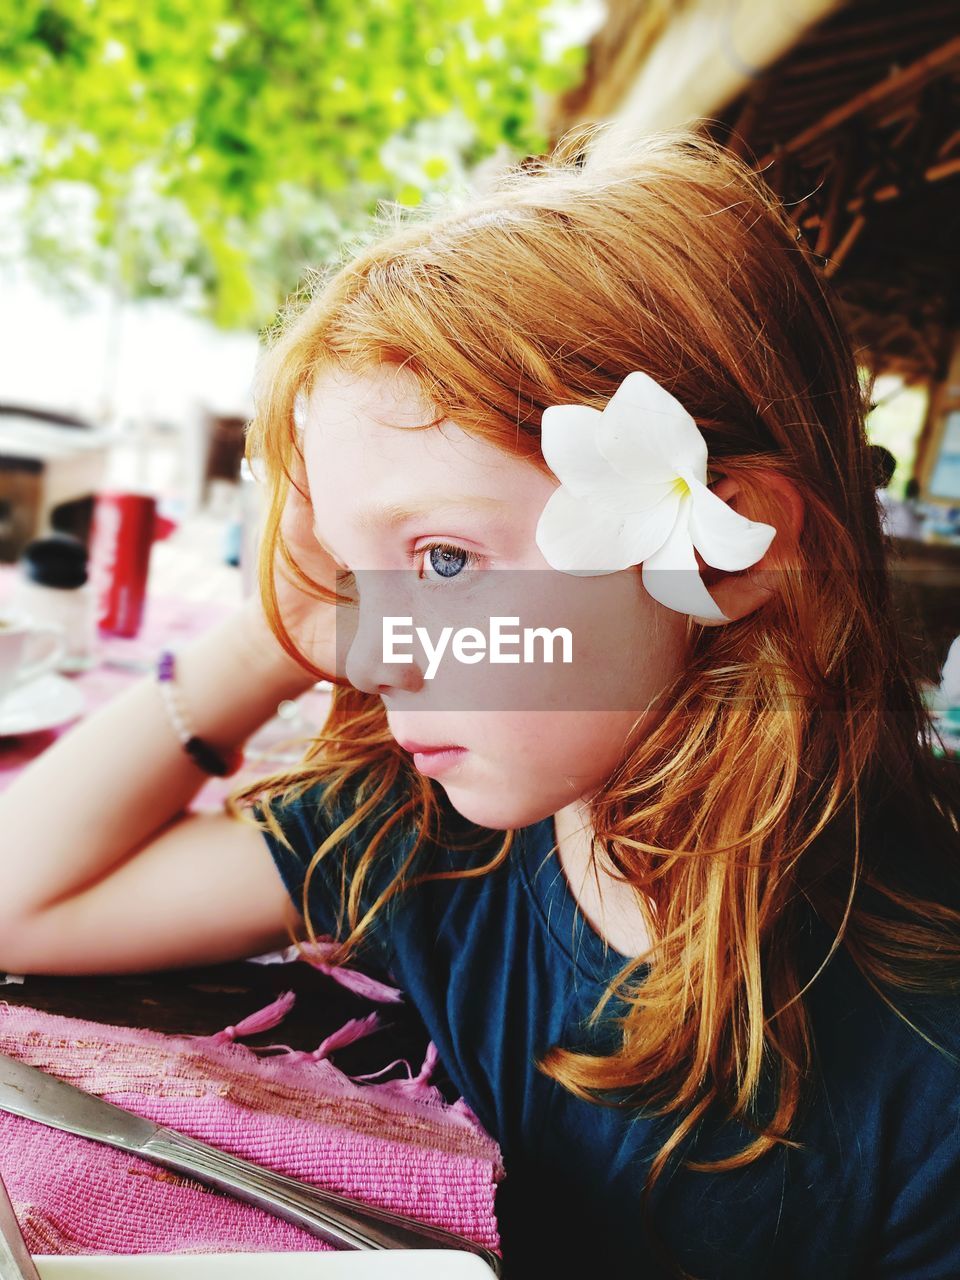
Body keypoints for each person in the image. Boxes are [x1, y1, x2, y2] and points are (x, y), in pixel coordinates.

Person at [2, 129, 959, 1280]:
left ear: (726, 548)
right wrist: (271, 641)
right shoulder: (431, 837)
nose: (376, 655)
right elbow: (23, 897)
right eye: (360, 579)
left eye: (444, 560)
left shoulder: (924, 1067)